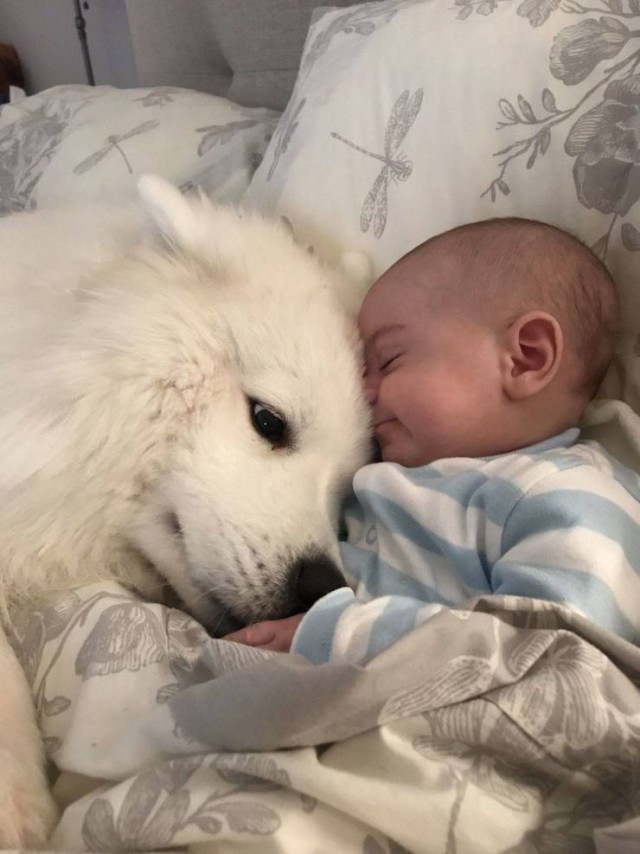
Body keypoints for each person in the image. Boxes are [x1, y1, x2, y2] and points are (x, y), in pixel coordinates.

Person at [225, 216, 640, 663]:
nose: (363, 392)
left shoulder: (564, 493)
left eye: (389, 360)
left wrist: (335, 635)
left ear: (525, 359)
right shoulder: (379, 487)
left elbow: (555, 648)